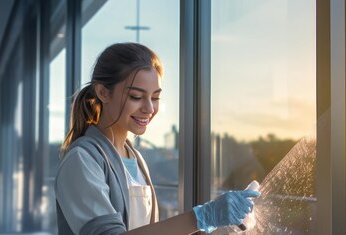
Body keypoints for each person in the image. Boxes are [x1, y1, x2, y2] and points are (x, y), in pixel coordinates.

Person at [55, 43, 259, 235]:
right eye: (136, 96)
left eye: (155, 97)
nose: (149, 108)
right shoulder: (82, 160)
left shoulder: (136, 159)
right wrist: (202, 217)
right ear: (102, 92)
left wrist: (214, 218)